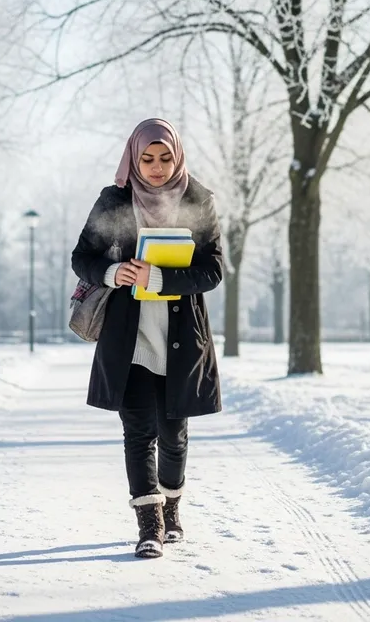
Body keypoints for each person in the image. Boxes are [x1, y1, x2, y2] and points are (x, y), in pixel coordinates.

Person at [71, 118, 223, 558]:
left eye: (165, 158)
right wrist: (112, 272)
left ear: (178, 157)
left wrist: (160, 277)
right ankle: (150, 527)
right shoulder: (114, 200)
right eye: (147, 159)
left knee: (174, 435)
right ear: (133, 159)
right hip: (128, 337)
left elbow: (212, 270)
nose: (156, 167)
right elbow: (82, 257)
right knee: (138, 432)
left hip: (181, 337)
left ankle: (171, 507)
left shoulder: (199, 200)